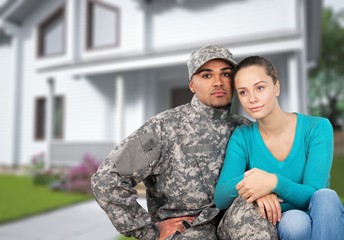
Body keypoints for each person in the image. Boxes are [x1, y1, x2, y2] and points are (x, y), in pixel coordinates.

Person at [91, 45, 278, 239]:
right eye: (206, 76)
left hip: (234, 221)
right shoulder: (163, 128)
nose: (218, 82)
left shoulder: (245, 128)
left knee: (257, 215)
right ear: (192, 85)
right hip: (187, 229)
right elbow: (107, 178)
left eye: (226, 74)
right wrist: (148, 230)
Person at [214, 55, 344, 240]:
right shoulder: (243, 136)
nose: (252, 98)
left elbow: (314, 193)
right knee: (296, 223)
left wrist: (273, 183)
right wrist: (257, 187)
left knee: (327, 197)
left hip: (325, 217)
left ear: (276, 87)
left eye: (260, 88)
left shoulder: (317, 128)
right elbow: (221, 196)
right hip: (288, 222)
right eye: (243, 92)